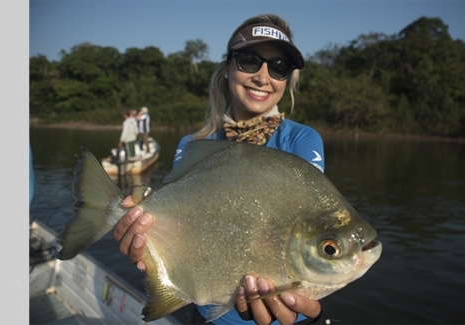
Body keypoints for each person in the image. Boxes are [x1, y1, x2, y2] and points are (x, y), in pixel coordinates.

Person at [113, 14, 326, 325]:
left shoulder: (303, 139)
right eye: (250, 60)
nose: (263, 77)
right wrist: (147, 246)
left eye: (278, 67)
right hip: (208, 315)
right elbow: (180, 227)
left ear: (287, 79)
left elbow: (311, 229)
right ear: (227, 67)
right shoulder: (192, 144)